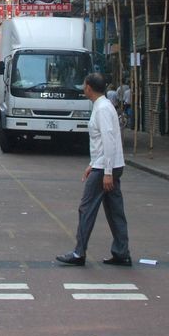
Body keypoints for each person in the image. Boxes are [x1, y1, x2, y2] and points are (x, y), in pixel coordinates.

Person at [57, 73, 131, 267]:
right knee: (115, 210)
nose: (83, 87)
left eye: (84, 85)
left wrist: (106, 172)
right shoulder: (103, 107)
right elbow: (103, 142)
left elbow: (109, 140)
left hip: (106, 168)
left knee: (86, 208)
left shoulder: (103, 109)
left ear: (89, 87)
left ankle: (79, 252)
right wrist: (93, 164)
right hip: (107, 165)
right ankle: (121, 252)